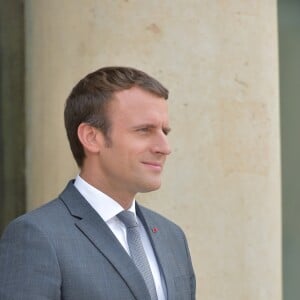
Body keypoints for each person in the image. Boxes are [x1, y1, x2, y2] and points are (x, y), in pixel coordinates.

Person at [0, 66, 196, 300]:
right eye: (144, 130)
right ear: (91, 137)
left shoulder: (171, 236)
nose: (165, 148)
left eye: (165, 131)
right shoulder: (38, 236)